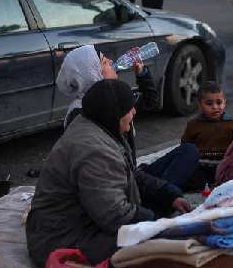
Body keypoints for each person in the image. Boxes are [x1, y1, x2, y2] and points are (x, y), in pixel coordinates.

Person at [26, 79, 192, 267]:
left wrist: (169, 194)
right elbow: (114, 215)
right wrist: (156, 225)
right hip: (60, 241)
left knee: (163, 218)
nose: (134, 112)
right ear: (114, 113)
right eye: (130, 109)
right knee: (154, 249)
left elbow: (130, 174)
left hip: (78, 223)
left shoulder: (96, 126)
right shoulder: (94, 151)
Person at [57, 45, 199, 190]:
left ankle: (164, 194)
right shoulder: (82, 114)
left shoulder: (111, 97)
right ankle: (162, 197)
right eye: (105, 62)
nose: (111, 62)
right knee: (169, 189)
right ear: (92, 74)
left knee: (189, 151)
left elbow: (151, 102)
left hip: (130, 174)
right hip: (115, 185)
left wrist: (141, 73)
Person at [180, 81, 233, 184]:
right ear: (200, 104)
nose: (215, 107)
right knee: (187, 179)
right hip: (200, 166)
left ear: (224, 102)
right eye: (209, 103)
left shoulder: (232, 123)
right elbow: (185, 148)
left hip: (224, 166)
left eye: (219, 102)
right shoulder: (193, 124)